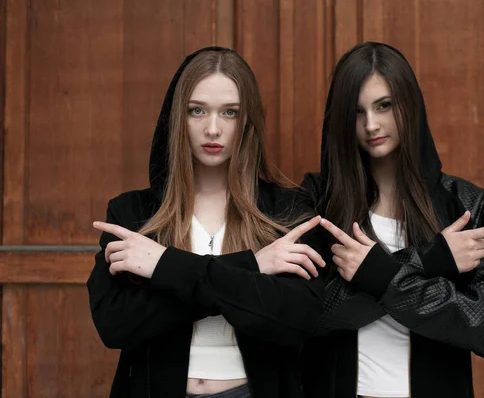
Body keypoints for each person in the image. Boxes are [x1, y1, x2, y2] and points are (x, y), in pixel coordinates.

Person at [87, 46, 328, 398]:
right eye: (197, 111)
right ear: (177, 118)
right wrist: (252, 267)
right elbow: (116, 325)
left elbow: (297, 320)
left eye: (229, 113)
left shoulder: (287, 212)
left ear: (247, 121)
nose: (212, 128)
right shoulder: (133, 214)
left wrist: (165, 267)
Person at [301, 42, 484, 398]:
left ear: (409, 104)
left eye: (384, 106)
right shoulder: (316, 202)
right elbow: (306, 318)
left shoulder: (464, 207)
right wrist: (430, 260)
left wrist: (386, 276)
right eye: (357, 112)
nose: (372, 124)